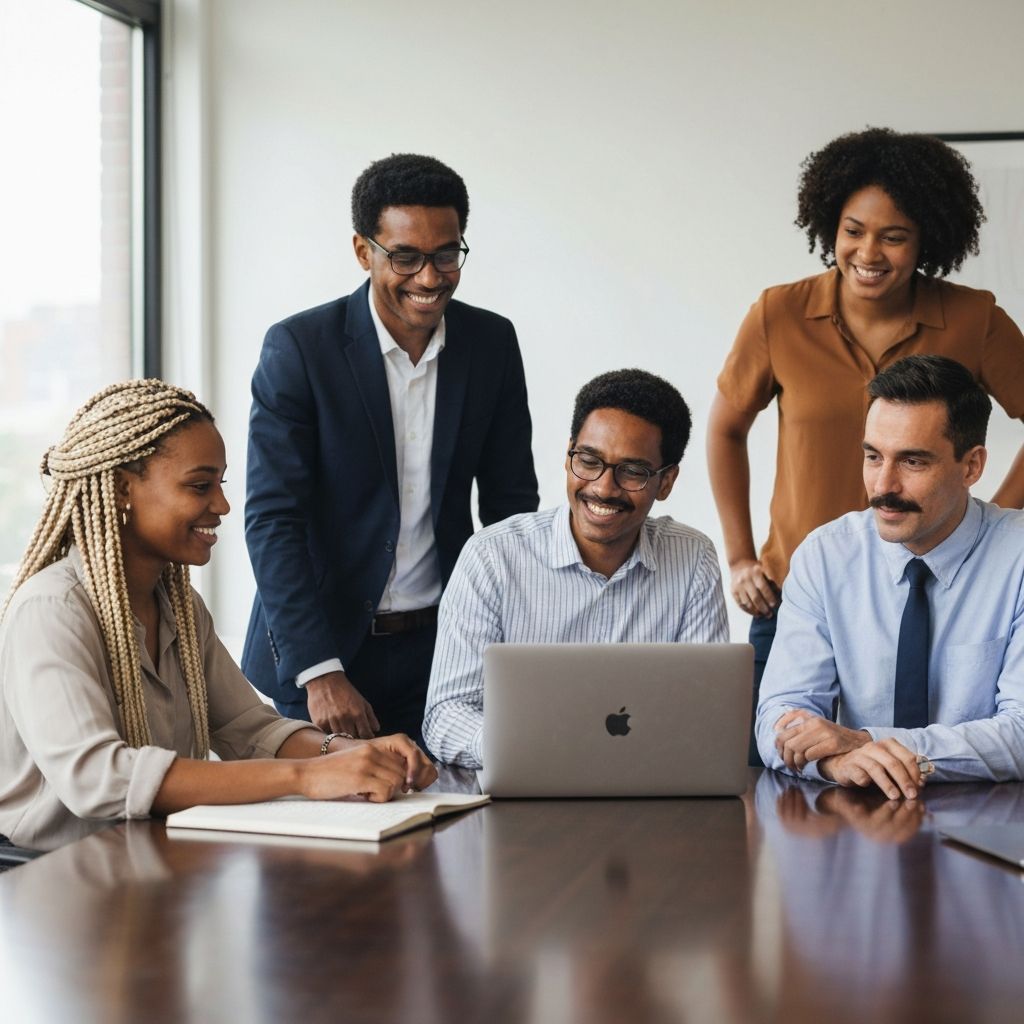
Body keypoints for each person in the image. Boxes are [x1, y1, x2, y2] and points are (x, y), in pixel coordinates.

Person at [0, 380, 436, 851]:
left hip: (148, 857)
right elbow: (99, 779)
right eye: (199, 486)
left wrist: (353, 753)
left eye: (220, 485)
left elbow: (250, 730)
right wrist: (310, 776)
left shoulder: (181, 607)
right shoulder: (52, 610)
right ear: (124, 489)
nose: (223, 506)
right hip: (50, 877)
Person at [707, 128, 1024, 766]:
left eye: (894, 235)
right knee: (776, 765)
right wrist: (740, 557)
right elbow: (724, 428)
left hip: (949, 589)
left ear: (927, 238)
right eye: (853, 230)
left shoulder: (975, 318)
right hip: (805, 590)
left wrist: (996, 528)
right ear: (830, 226)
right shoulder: (779, 314)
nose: (867, 251)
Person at [242, 153, 538, 745]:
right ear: (363, 251)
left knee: (457, 828)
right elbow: (273, 519)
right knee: (323, 834)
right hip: (324, 657)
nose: (430, 278)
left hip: (447, 650)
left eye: (447, 254)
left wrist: (518, 650)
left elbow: (512, 508)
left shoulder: (492, 344)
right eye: (405, 257)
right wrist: (319, 671)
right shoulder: (300, 349)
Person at [424, 369, 729, 768]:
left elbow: (704, 715)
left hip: (649, 798)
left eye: (633, 471)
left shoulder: (693, 561)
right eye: (589, 461)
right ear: (569, 453)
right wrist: (525, 750)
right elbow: (446, 715)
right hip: (523, 795)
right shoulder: (492, 557)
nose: (603, 488)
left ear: (666, 481)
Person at [756, 356, 1024, 797]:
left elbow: (1018, 733)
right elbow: (780, 715)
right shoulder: (826, 556)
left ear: (972, 466)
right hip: (855, 820)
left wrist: (870, 742)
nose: (884, 485)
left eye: (913, 462)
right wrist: (837, 761)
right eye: (872, 456)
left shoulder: (1017, 558)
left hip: (990, 822)